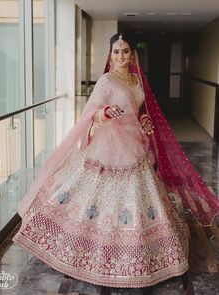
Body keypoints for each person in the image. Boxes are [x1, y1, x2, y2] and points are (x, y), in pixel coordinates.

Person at [13, 33, 219, 291]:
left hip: (133, 146)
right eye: (117, 51)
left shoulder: (136, 80)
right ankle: (86, 250)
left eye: (125, 51)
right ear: (110, 55)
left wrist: (144, 121)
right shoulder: (106, 81)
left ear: (132, 55)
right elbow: (89, 113)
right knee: (96, 198)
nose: (121, 56)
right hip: (108, 146)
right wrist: (104, 113)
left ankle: (139, 254)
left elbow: (139, 111)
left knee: (139, 199)